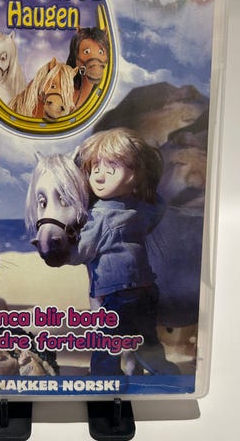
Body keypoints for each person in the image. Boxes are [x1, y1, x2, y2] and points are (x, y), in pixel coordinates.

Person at [69, 128, 179, 376]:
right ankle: (164, 372)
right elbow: (159, 206)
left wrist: (61, 248)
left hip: (117, 293)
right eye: (95, 168)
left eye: (111, 169)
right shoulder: (142, 208)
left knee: (106, 343)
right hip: (147, 289)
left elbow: (80, 253)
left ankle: (103, 380)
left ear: (135, 174)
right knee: (147, 340)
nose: (99, 176)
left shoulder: (100, 215)